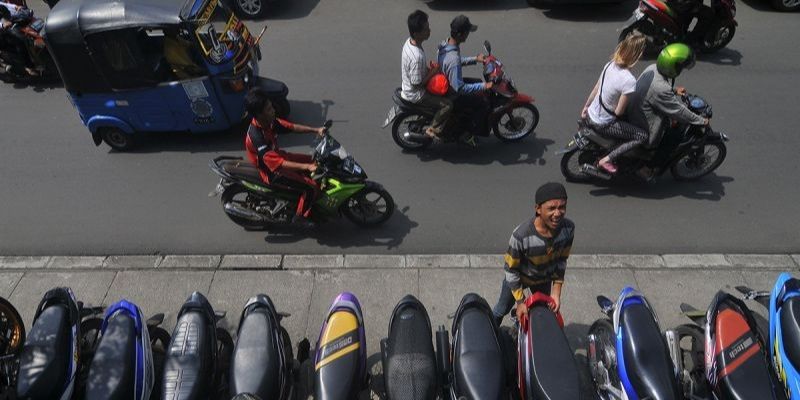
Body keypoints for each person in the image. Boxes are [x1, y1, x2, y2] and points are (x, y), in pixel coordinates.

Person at [492, 182, 574, 326]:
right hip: (519, 280)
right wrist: (520, 301)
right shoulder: (520, 235)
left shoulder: (568, 229)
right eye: (551, 208)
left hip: (543, 280)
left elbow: (561, 260)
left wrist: (556, 292)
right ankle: (489, 330)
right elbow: (511, 270)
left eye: (562, 207)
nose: (557, 213)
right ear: (538, 209)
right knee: (501, 309)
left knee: (541, 311)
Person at [243, 88, 327, 227]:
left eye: (271, 106)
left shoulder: (269, 122)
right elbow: (278, 164)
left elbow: (292, 127)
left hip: (279, 156)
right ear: (259, 114)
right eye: (269, 109)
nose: (273, 110)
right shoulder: (257, 138)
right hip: (272, 171)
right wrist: (307, 167)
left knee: (314, 160)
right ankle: (300, 217)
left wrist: (315, 130)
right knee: (310, 188)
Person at [627, 43, 708, 174]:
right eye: (680, 67)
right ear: (672, 67)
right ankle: (650, 167)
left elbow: (653, 90)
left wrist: (674, 91)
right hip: (644, 126)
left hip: (636, 110)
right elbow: (679, 111)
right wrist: (701, 120)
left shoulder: (652, 68)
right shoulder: (661, 89)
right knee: (675, 134)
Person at [580, 33, 649, 174]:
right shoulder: (629, 80)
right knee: (642, 136)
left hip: (591, 114)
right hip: (604, 123)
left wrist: (586, 106)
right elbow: (618, 112)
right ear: (638, 55)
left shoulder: (609, 65)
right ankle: (607, 159)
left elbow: (596, 88)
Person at [437, 15, 492, 147]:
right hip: (453, 94)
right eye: (467, 32)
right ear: (461, 34)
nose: (468, 35)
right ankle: (467, 132)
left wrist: (475, 59)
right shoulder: (453, 59)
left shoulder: (444, 44)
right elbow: (460, 88)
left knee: (477, 82)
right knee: (483, 103)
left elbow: (455, 61)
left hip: (447, 81)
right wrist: (484, 85)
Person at [401, 10, 452, 140]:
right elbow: (417, 83)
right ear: (416, 33)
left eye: (428, 27)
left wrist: (428, 69)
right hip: (416, 94)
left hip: (411, 84)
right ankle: (433, 129)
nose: (429, 31)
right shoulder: (416, 56)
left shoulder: (410, 42)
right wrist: (433, 72)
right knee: (448, 105)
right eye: (426, 29)